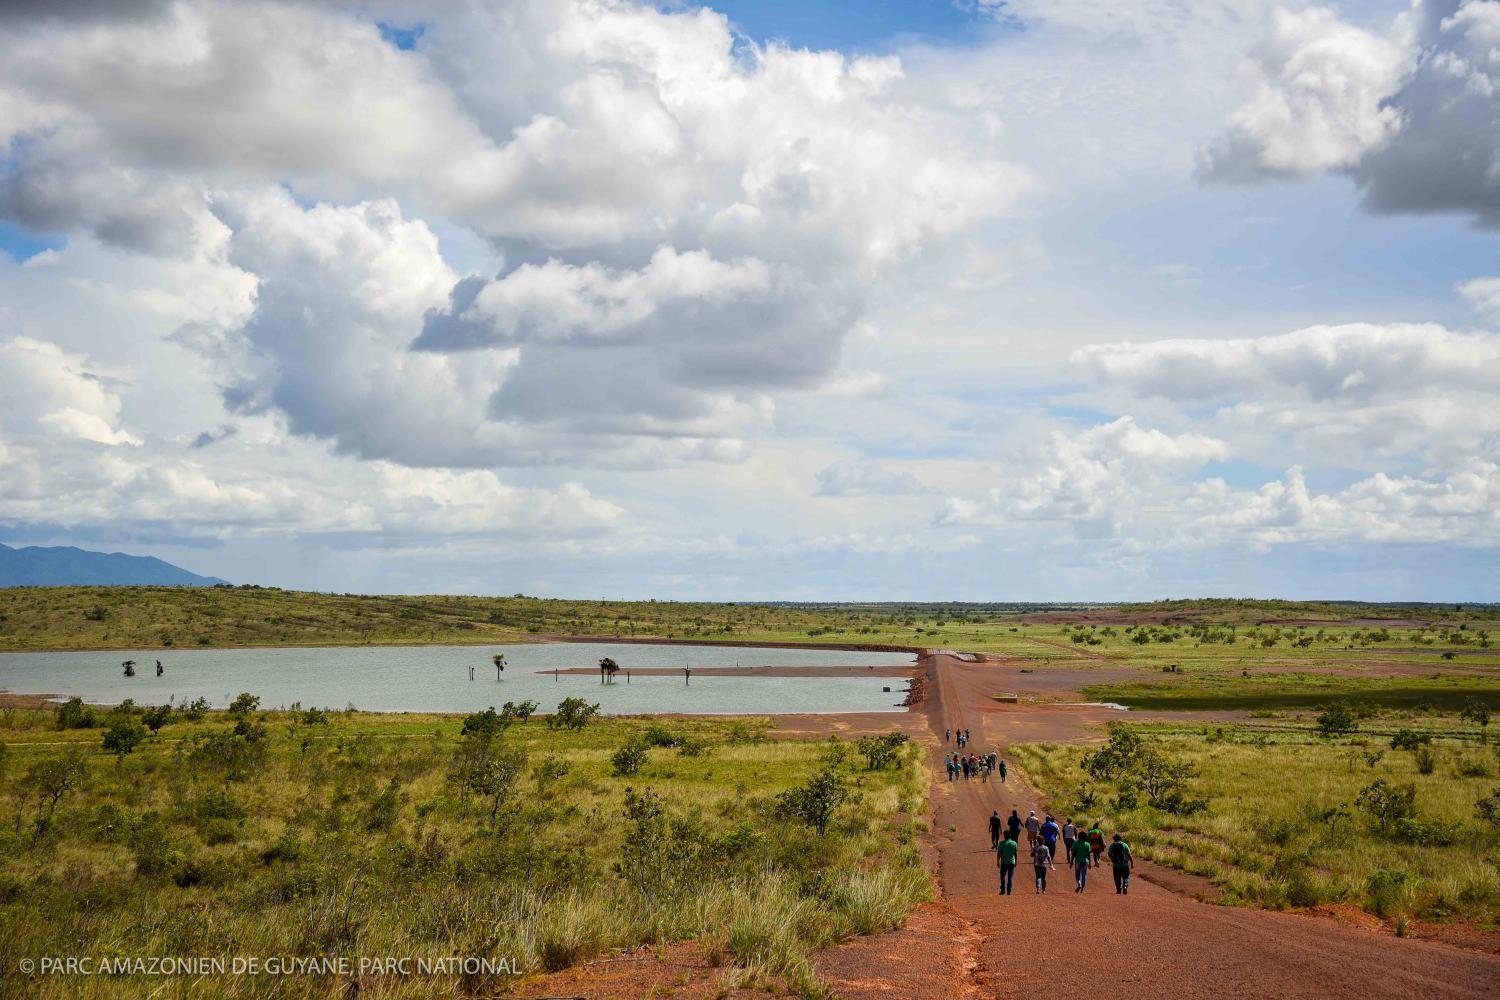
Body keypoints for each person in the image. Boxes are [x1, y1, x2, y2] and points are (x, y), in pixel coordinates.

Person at [996, 830, 1018, 895]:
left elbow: (999, 853)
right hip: (1012, 862)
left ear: (1004, 836)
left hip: (1004, 862)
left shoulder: (1001, 843)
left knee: (1002, 876)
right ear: (1010, 835)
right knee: (1010, 876)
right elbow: (1015, 853)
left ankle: (1003, 889)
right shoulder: (1014, 843)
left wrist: (997, 861)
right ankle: (1009, 890)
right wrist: (1016, 861)